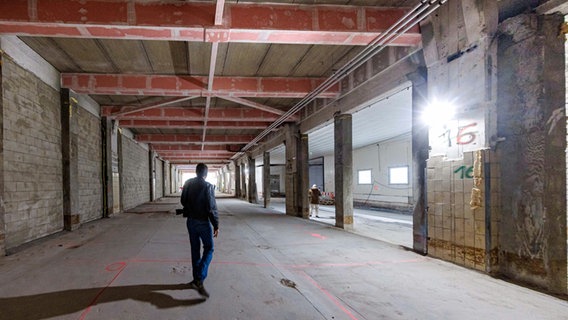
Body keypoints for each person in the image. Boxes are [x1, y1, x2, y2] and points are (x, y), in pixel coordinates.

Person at [180, 163, 219, 298]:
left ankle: (195, 278)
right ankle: (200, 277)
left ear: (196, 172)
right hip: (203, 222)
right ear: (205, 174)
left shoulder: (188, 183)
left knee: (195, 250)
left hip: (190, 221)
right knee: (209, 248)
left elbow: (183, 201)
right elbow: (211, 208)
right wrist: (216, 225)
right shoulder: (208, 186)